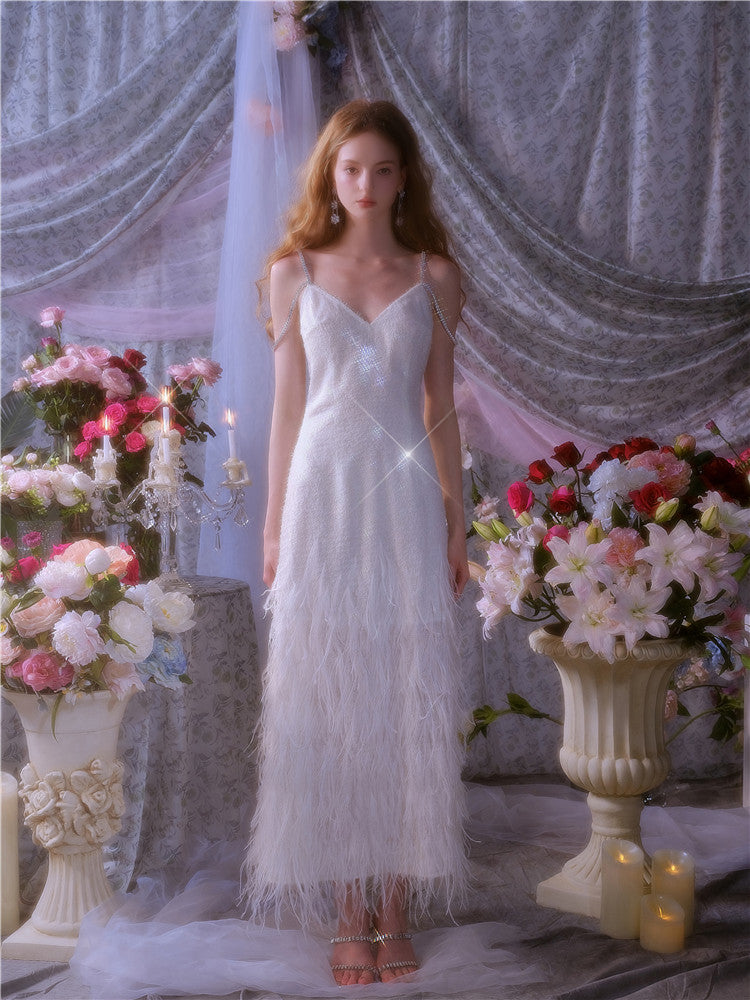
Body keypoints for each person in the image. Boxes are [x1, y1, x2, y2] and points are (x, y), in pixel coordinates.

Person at [245, 99, 470, 987]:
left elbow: (440, 405)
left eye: (382, 169)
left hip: (405, 498)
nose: (366, 185)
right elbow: (286, 410)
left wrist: (456, 519)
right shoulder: (293, 273)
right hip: (323, 497)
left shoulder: (435, 274)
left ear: (404, 176)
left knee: (404, 691)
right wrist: (272, 528)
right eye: (350, 170)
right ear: (329, 177)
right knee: (332, 697)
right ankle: (347, 909)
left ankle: (395, 907)